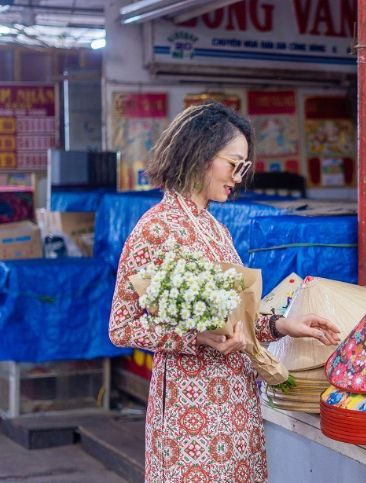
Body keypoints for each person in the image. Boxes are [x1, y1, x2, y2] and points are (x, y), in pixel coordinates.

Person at [109, 102, 341, 482]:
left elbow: (236, 318)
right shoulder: (155, 228)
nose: (239, 176)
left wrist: (283, 326)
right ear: (200, 154)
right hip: (191, 412)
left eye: (244, 167)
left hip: (237, 402)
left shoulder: (217, 230)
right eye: (234, 163)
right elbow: (122, 327)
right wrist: (194, 337)